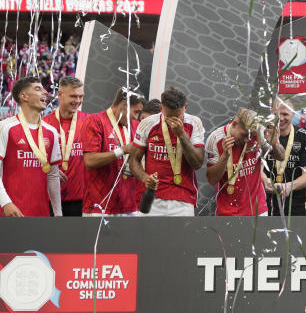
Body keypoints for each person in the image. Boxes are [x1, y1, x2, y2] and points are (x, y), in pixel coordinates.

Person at [129, 86, 206, 216]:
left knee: (181, 237)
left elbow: (197, 163)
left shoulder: (194, 123)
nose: (172, 121)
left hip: (183, 199)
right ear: (161, 108)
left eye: (177, 116)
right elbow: (133, 160)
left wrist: (181, 135)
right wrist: (144, 178)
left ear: (185, 108)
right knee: (146, 236)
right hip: (152, 198)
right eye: (168, 116)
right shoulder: (147, 123)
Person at [0, 77, 62, 217]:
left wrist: (58, 214)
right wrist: (5, 203)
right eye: (38, 89)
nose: (46, 92)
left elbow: (52, 175)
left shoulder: (51, 132)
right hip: (11, 213)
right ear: (24, 97)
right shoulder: (5, 127)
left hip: (41, 214)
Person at [82, 89, 144, 217]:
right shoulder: (95, 121)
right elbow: (89, 161)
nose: (136, 117)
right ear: (123, 105)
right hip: (99, 206)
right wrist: (122, 150)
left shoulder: (136, 126)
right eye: (135, 112)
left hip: (129, 206)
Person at [206, 108, 279, 217]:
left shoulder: (259, 132)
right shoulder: (216, 138)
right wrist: (225, 156)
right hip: (227, 213)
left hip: (258, 210)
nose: (247, 140)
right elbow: (212, 180)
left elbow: (280, 156)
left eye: (250, 136)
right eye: (244, 135)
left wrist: (275, 144)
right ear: (235, 124)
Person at [264, 97, 306, 216]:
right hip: (266, 204)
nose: (281, 118)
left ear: (293, 114)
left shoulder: (303, 137)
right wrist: (265, 180)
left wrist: (288, 186)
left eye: (285, 114)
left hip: (295, 205)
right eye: (277, 114)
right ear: (272, 113)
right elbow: (258, 167)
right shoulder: (264, 134)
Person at [44, 76, 86, 216]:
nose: (78, 101)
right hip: (50, 199)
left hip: (81, 200)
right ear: (60, 94)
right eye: (73, 96)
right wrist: (48, 170)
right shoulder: (44, 124)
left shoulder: (90, 122)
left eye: (81, 96)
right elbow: (33, 159)